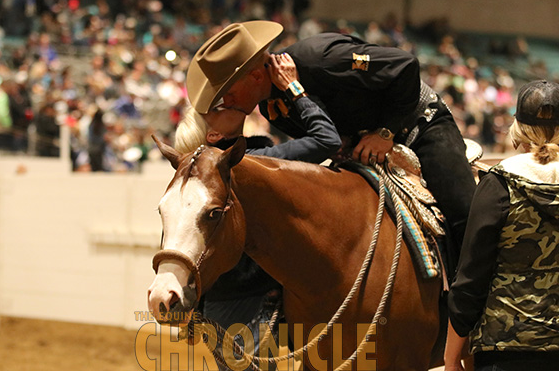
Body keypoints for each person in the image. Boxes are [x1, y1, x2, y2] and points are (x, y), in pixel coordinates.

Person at [183, 20, 476, 263]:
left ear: (256, 76)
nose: (227, 102)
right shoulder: (271, 110)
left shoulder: (319, 58)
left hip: (418, 124)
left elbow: (406, 66)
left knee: (465, 216)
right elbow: (328, 140)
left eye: (228, 92)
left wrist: (385, 132)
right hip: (362, 151)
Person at [174, 24, 341, 371]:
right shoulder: (254, 163)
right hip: (254, 303)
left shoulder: (202, 181)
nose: (225, 99)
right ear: (215, 133)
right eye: (217, 105)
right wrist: (294, 89)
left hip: (224, 305)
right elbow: (326, 139)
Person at [445, 80, 559, 371]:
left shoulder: (499, 184)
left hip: (505, 347)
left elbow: (471, 279)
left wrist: (450, 356)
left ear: (518, 127)